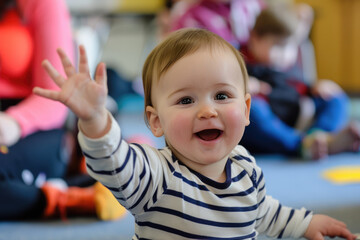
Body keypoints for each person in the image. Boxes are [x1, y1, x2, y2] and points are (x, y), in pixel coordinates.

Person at [34, 28, 356, 239]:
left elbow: (263, 211)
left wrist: (305, 224)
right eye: (186, 100)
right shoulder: (157, 176)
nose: (207, 111)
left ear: (245, 111)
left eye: (221, 96)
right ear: (155, 121)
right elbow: (116, 164)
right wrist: (94, 118)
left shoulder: (246, 167)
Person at [0, 0, 124, 221]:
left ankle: (73, 196)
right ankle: (74, 188)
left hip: (34, 124)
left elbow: (54, 98)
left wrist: (13, 123)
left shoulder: (43, 4)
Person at [238, 3, 360, 160]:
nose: (285, 54)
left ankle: (320, 138)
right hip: (267, 123)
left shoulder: (288, 65)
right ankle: (302, 145)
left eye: (291, 47)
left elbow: (298, 86)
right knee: (249, 110)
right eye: (277, 46)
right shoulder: (240, 59)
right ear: (255, 38)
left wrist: (315, 88)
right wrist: (243, 85)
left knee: (335, 98)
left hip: (297, 114)